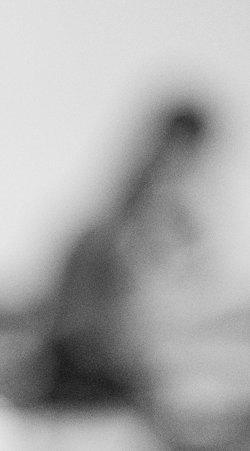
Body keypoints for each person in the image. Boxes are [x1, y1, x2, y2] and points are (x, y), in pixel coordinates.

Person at [21, 98, 220, 410]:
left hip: (101, 367)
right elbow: (109, 325)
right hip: (88, 375)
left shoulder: (141, 213)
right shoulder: (121, 224)